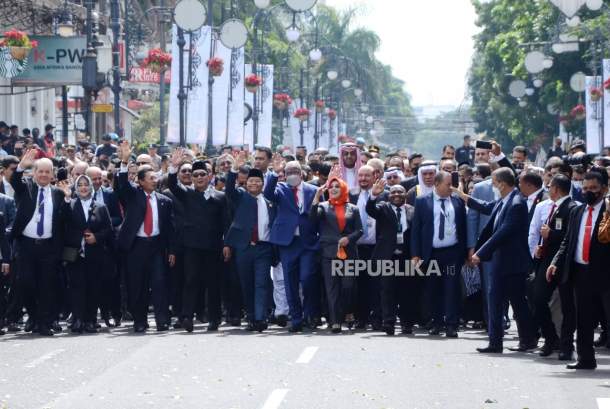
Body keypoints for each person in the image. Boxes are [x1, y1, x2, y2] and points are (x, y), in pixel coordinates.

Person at [461, 167, 538, 353]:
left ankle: (528, 339)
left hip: (513, 264)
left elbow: (503, 232)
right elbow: (485, 206)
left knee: (518, 304)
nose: (493, 186)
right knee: (493, 301)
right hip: (498, 262)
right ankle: (495, 342)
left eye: (494, 183)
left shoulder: (517, 204)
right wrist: (460, 194)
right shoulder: (504, 201)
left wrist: (480, 253)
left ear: (502, 184)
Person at [547, 170, 610, 370]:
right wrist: (555, 262)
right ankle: (585, 358)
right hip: (580, 272)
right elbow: (568, 240)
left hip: (605, 273)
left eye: (593, 189)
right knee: (583, 318)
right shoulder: (577, 211)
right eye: (585, 188)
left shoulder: (608, 212)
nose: (589, 192)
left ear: (605, 189)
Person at [117, 142, 175, 333]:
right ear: (140, 181)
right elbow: (122, 184)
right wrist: (124, 162)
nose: (155, 180)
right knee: (137, 286)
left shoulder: (164, 201)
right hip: (136, 247)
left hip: (156, 247)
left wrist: (171, 250)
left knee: (159, 284)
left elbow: (169, 229)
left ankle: (162, 320)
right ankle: (140, 321)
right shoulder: (133, 195)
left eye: (155, 177)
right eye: (150, 178)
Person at [168, 150, 229, 332]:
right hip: (191, 246)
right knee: (191, 280)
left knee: (212, 283)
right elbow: (172, 185)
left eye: (203, 174)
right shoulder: (186, 193)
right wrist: (174, 166)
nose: (199, 177)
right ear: (192, 178)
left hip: (213, 246)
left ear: (210, 176)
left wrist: (227, 244)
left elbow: (226, 222)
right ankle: (187, 317)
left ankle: (214, 319)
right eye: (195, 175)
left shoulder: (219, 197)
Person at [10, 150, 65, 336]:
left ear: (52, 175)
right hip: (26, 246)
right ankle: (33, 315)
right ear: (34, 173)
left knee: (46, 287)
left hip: (48, 247)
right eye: (40, 171)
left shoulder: (58, 193)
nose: (43, 175)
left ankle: (43, 323)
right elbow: (14, 182)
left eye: (47, 172)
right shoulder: (26, 187)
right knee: (26, 284)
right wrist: (20, 167)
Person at [265, 155, 319, 332]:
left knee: (307, 278)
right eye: (288, 172)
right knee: (290, 282)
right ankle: (296, 318)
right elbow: (267, 194)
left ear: (302, 173)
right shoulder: (280, 189)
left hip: (308, 242)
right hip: (288, 243)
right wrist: (275, 172)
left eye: (295, 171)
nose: (292, 175)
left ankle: (309, 314)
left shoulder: (313, 190)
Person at [411, 171, 467, 338]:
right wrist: (415, 254)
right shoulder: (422, 201)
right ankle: (436, 323)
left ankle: (451, 324)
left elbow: (463, 228)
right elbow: (416, 229)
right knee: (432, 289)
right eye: (448, 184)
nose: (452, 187)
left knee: (451, 289)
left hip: (452, 252)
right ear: (436, 184)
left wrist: (465, 252)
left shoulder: (457, 201)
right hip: (431, 253)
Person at [225, 152, 276, 332]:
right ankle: (252, 316)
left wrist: (275, 172)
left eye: (258, 181)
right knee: (247, 284)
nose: (254, 184)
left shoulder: (268, 199)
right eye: (250, 182)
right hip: (244, 248)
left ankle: (261, 318)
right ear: (246, 184)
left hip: (263, 248)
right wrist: (234, 169)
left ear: (263, 184)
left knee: (261, 282)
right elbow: (229, 190)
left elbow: (273, 182)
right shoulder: (241, 196)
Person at [529, 174, 577, 359]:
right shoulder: (554, 208)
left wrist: (552, 234)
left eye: (550, 187)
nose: (548, 190)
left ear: (556, 189)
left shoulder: (572, 208)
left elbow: (569, 237)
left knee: (567, 306)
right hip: (547, 260)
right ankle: (550, 338)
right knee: (538, 299)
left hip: (563, 264)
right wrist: (542, 246)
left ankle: (566, 345)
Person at [59, 175, 112, 334]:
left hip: (95, 255)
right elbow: (62, 220)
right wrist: (67, 198)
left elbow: (109, 230)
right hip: (75, 255)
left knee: (93, 288)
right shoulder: (70, 203)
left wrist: (97, 237)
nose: (83, 188)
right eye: (80, 185)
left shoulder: (101, 206)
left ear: (90, 187)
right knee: (76, 288)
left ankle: (90, 320)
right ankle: (78, 319)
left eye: (86, 185)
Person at [309, 177, 363, 333]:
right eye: (331, 187)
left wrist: (349, 238)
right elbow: (312, 219)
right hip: (329, 253)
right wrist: (316, 198)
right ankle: (335, 321)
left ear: (343, 189)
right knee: (332, 289)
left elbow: (359, 230)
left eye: (337, 187)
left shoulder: (353, 208)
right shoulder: (323, 207)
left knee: (348, 286)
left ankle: (348, 311)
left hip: (349, 253)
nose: (333, 189)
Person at [366, 181, 417, 335]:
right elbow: (370, 209)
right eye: (393, 192)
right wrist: (374, 195)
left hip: (407, 257)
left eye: (399, 192)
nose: (396, 194)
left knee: (407, 291)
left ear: (406, 195)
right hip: (387, 257)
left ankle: (407, 324)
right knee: (387, 291)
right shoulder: (383, 207)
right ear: (388, 195)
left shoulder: (413, 210)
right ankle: (388, 323)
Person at [87, 166, 123, 328]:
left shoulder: (110, 194)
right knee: (95, 283)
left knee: (111, 282)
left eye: (99, 178)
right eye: (93, 179)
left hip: (108, 244)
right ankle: (99, 315)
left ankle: (116, 314)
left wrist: (103, 225)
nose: (97, 181)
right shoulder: (79, 195)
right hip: (88, 245)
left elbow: (118, 217)